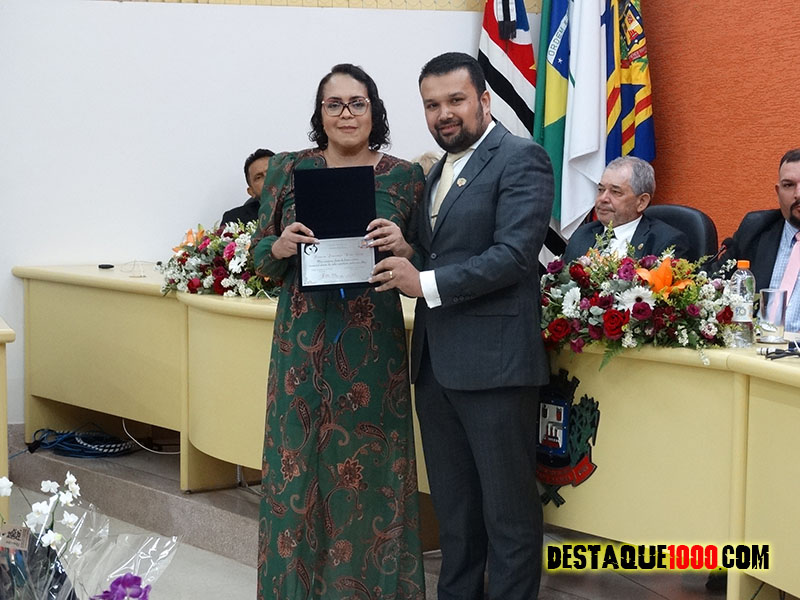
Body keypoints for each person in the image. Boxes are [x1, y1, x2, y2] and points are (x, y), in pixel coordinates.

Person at [371, 52, 554, 600]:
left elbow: (514, 256)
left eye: (455, 100)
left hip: (496, 369)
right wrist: (410, 250)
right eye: (432, 105)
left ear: (484, 100)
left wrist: (422, 281)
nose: (444, 113)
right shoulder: (437, 170)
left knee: (508, 518)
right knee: (455, 515)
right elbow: (445, 251)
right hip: (436, 367)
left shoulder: (521, 158)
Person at [250, 64, 426, 599]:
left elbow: (424, 258)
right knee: (296, 470)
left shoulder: (405, 177)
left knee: (370, 473)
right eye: (334, 104)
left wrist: (403, 246)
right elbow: (261, 258)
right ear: (320, 113)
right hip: (300, 345)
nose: (346, 114)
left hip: (373, 349)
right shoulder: (287, 169)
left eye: (358, 103)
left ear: (375, 111)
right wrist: (280, 246)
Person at [714, 148, 800, 333]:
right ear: (778, 191)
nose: (798, 194)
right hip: (754, 344)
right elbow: (714, 282)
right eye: (788, 185)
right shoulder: (755, 228)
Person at [561, 156, 690, 263]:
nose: (603, 198)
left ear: (641, 202)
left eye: (615, 192)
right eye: (601, 190)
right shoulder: (582, 234)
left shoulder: (665, 242)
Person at [221, 148, 275, 225]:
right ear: (251, 192)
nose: (267, 179)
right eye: (259, 177)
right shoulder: (234, 219)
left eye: (271, 172)